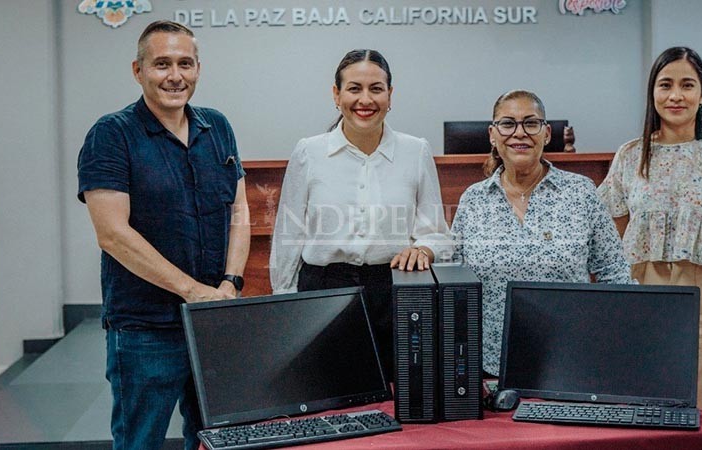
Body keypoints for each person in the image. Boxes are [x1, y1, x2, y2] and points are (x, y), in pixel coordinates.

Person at [77, 20, 250, 449]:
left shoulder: (218, 127)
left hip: (213, 320)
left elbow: (239, 209)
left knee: (216, 440)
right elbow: (112, 235)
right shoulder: (111, 134)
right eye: (162, 64)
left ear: (198, 69)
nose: (175, 75)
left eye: (185, 63)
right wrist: (192, 290)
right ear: (138, 71)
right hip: (144, 328)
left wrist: (230, 282)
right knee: (141, 442)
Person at [597, 46, 702, 429]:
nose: (676, 95)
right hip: (642, 294)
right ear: (652, 93)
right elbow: (612, 242)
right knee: (642, 417)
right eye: (666, 85)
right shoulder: (630, 156)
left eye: (687, 85)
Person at [270, 49, 452, 376]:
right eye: (354, 88)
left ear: (390, 95)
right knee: (326, 393)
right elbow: (289, 235)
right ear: (336, 94)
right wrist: (285, 302)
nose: (365, 99)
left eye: (376, 89)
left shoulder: (416, 151)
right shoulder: (309, 152)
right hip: (322, 292)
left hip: (392, 293)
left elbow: (437, 234)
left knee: (396, 398)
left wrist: (424, 248)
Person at [451, 90, 633, 377]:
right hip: (491, 369)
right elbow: (454, 280)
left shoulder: (580, 192)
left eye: (531, 123)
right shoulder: (473, 200)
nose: (519, 133)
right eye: (508, 124)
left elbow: (614, 271)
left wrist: (619, 345)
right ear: (492, 134)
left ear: (547, 133)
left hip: (571, 362)